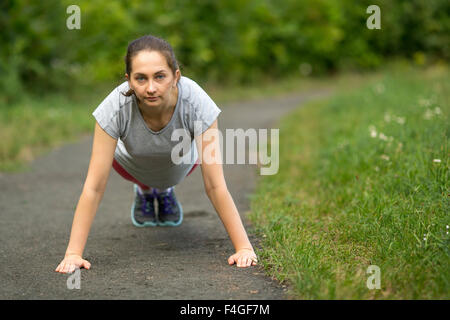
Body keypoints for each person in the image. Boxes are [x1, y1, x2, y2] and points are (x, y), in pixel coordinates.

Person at [55, 35, 258, 274]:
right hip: (131, 163)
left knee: (172, 173)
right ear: (129, 80)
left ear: (176, 77)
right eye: (141, 78)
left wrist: (243, 247)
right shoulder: (113, 108)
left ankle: (162, 189)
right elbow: (94, 186)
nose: (151, 88)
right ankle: (146, 189)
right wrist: (73, 254)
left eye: (160, 76)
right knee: (135, 172)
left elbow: (215, 184)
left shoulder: (196, 101)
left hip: (181, 162)